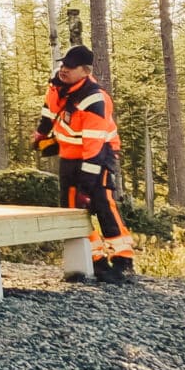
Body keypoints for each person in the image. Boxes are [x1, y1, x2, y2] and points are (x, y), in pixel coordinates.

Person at [34, 44, 137, 283]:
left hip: (97, 156)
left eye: (70, 66)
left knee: (102, 204)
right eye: (63, 64)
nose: (64, 69)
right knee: (72, 210)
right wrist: (42, 133)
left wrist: (87, 186)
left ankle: (123, 260)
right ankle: (94, 261)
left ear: (85, 70)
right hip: (70, 156)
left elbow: (94, 147)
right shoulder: (57, 86)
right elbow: (49, 112)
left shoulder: (94, 99)